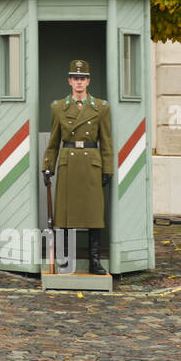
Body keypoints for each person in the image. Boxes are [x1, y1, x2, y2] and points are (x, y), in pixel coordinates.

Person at [41, 59, 113, 275]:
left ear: (88, 81)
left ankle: (94, 262)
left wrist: (108, 168)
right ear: (69, 81)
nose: (79, 82)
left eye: (83, 78)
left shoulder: (101, 107)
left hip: (91, 163)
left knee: (93, 215)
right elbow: (54, 141)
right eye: (75, 78)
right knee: (65, 216)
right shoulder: (58, 107)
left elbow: (107, 140)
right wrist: (47, 167)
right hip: (68, 163)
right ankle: (66, 260)